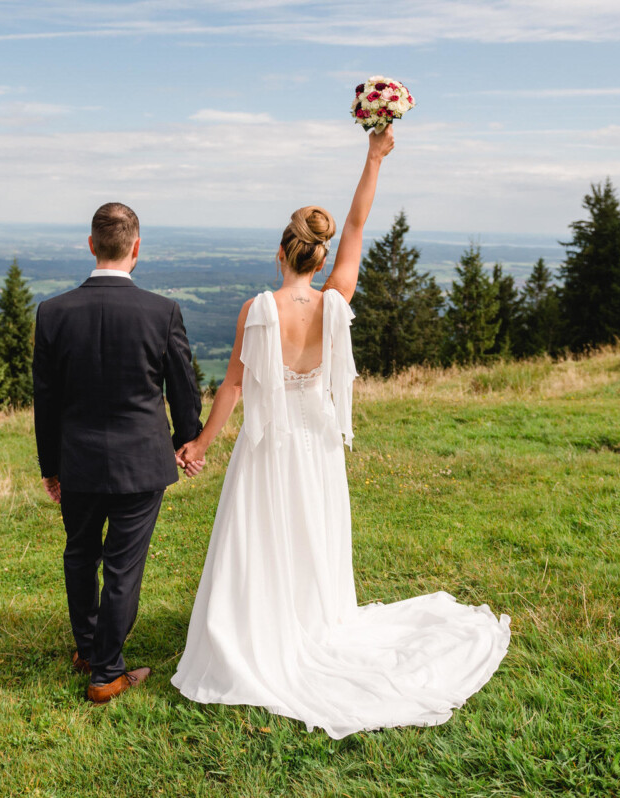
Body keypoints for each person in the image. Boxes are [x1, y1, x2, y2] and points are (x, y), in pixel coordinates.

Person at [170, 127, 511, 738]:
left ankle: (263, 627)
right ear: (320, 258)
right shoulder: (336, 302)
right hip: (317, 441)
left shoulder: (258, 309)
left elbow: (234, 388)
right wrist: (373, 158)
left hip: (270, 444)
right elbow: (356, 227)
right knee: (313, 530)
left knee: (263, 532)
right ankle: (313, 620)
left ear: (282, 251)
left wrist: (198, 444)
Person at [33, 202, 205, 704]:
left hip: (78, 461)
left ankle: (89, 649)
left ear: (91, 245)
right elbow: (184, 389)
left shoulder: (53, 312)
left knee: (80, 554)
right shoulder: (162, 311)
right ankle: (106, 670)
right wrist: (186, 440)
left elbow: (46, 401)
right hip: (142, 462)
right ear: (135, 248)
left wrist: (51, 466)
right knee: (123, 565)